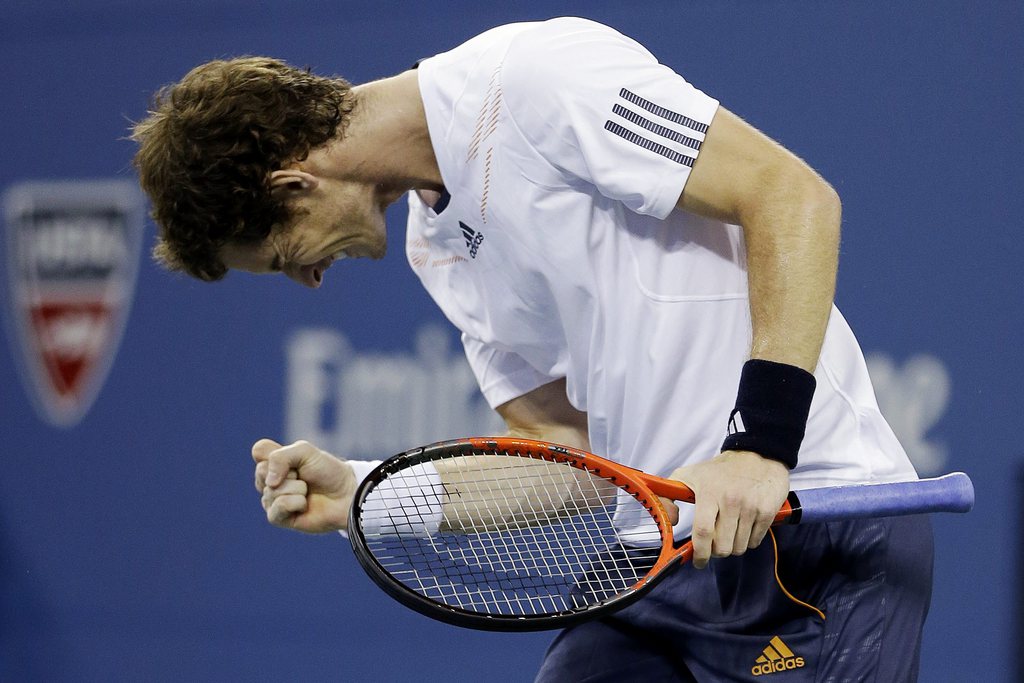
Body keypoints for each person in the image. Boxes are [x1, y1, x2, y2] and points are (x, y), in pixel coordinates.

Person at [132, 17, 932, 681]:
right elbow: (568, 455)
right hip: (654, 562)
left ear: (291, 186)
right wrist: (368, 495)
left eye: (280, 256)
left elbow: (790, 195)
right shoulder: (433, 246)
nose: (305, 279)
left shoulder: (539, 82)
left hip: (814, 522)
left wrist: (760, 445)